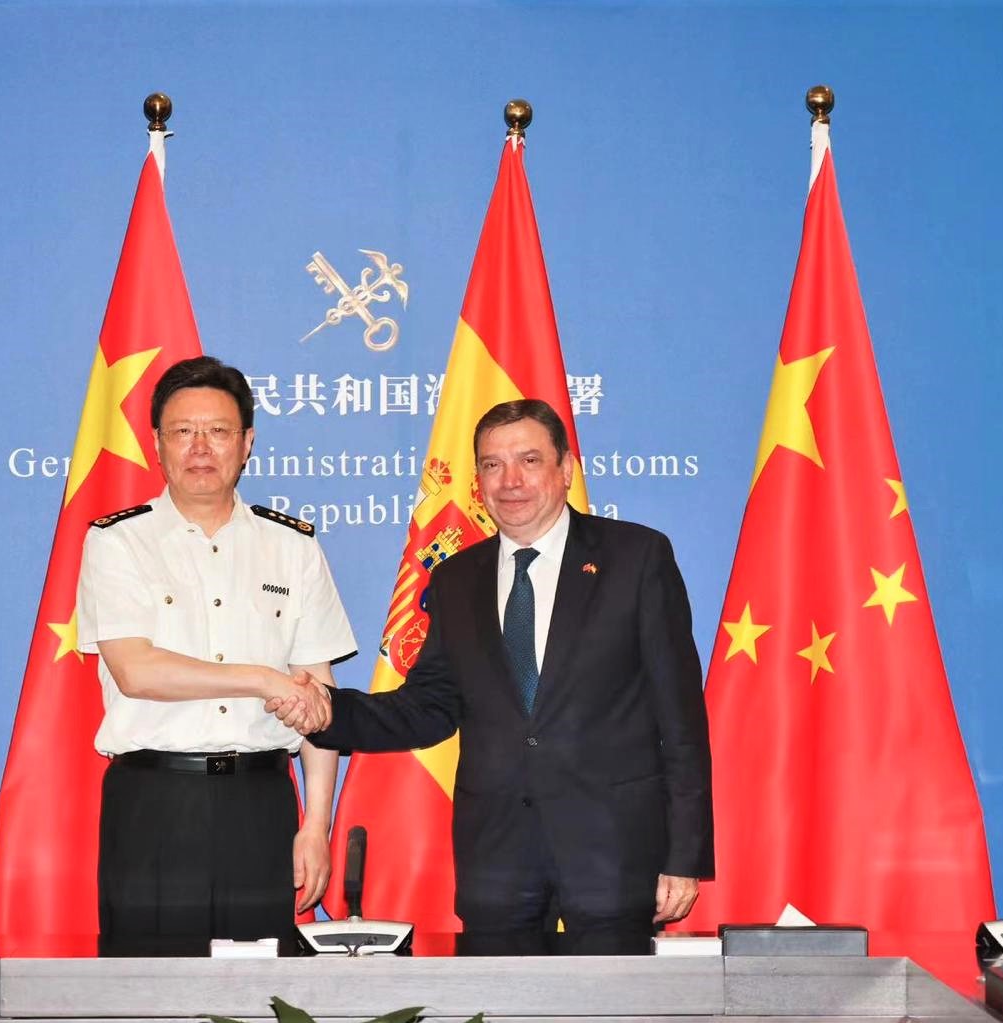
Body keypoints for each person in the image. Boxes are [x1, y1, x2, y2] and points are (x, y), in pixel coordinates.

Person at [275, 398, 712, 955]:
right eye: (491, 465)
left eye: (529, 460)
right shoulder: (457, 578)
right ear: (477, 480)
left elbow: (681, 720)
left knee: (612, 1001)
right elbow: (428, 707)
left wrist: (683, 856)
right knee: (496, 1000)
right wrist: (329, 711)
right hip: (498, 861)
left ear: (565, 469)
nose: (510, 481)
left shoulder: (636, 557)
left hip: (614, 852)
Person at [76, 355, 353, 956]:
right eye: (183, 431)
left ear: (247, 443)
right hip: (154, 801)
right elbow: (136, 672)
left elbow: (318, 698)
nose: (200, 447)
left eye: (218, 431)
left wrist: (316, 825)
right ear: (157, 443)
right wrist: (262, 679)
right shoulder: (117, 541)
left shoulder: (292, 548)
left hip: (261, 803)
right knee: (147, 989)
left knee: (259, 991)